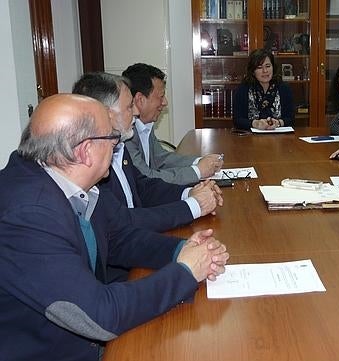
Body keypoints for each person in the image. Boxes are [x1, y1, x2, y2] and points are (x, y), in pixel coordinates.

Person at [0, 94, 230, 360]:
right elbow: (99, 316)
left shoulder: (67, 179)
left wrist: (182, 249)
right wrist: (186, 272)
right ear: (85, 150)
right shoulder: (28, 215)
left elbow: (119, 238)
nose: (117, 146)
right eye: (113, 139)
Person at [72, 72, 223, 234]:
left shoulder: (119, 147)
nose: (136, 112)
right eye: (129, 106)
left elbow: (144, 188)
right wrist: (194, 206)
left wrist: (189, 193)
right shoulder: (91, 165)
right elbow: (125, 221)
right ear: (107, 114)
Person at [122, 63, 223, 185]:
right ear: (140, 99)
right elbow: (146, 177)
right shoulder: (125, 134)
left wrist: (200, 161)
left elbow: (162, 159)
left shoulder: (145, 125)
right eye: (161, 96)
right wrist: (198, 171)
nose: (165, 102)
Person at [232, 48, 294, 130]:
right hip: (250, 139)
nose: (265, 71)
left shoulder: (284, 89)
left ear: (273, 67)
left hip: (279, 138)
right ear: (253, 71)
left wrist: (278, 123)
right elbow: (237, 120)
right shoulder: (243, 89)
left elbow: (291, 119)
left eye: (268, 66)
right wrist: (255, 124)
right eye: (259, 67)